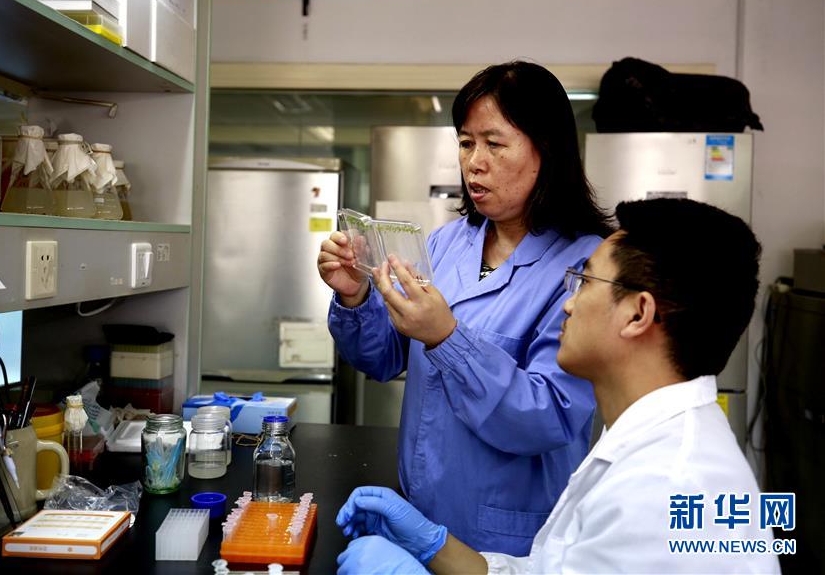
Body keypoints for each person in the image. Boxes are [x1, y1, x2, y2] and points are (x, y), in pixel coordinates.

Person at [335, 198, 780, 574]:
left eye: (584, 280)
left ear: (638, 314)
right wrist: (436, 547)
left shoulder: (668, 487)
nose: (567, 302)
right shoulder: (642, 442)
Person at [317, 61, 612, 554]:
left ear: (547, 150)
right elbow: (384, 358)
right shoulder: (447, 243)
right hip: (422, 514)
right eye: (466, 142)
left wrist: (447, 338)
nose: (474, 162)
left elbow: (550, 416)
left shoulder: (586, 266)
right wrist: (355, 296)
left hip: (510, 536)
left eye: (494, 144)